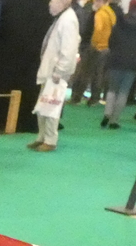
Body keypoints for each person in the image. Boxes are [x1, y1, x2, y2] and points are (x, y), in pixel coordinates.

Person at [31, 0, 81, 151]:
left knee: (51, 106)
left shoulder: (68, 20)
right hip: (50, 71)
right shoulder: (62, 18)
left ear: (64, 2)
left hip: (56, 74)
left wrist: (59, 71)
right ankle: (42, 136)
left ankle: (50, 140)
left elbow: (69, 50)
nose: (49, 4)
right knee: (43, 105)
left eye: (53, 1)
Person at [101, 0, 136, 128]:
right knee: (124, 91)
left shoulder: (120, 20)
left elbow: (111, 41)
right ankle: (114, 120)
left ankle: (107, 113)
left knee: (112, 89)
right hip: (134, 61)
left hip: (117, 58)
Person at [70, 0, 114, 103]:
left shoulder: (100, 14)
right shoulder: (111, 13)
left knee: (84, 73)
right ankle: (95, 98)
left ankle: (76, 97)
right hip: (106, 47)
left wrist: (93, 44)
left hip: (95, 47)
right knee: (98, 75)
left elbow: (97, 29)